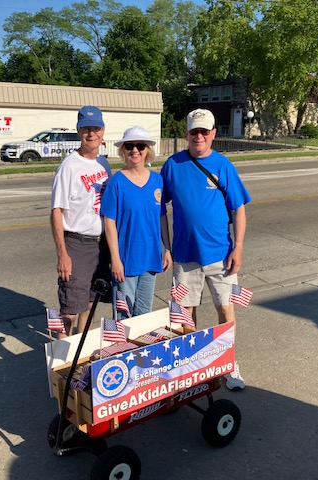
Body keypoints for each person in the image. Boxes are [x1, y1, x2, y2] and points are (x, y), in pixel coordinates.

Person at [160, 108, 251, 390]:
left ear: (213, 134)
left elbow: (238, 209)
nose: (198, 136)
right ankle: (191, 366)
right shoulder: (172, 165)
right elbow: (160, 208)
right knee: (186, 314)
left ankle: (228, 363)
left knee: (226, 311)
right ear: (186, 133)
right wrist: (165, 246)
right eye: (194, 131)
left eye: (204, 131)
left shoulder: (224, 166)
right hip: (185, 257)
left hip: (221, 256)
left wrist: (238, 248)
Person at [50, 105, 112, 337]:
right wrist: (62, 254)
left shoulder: (103, 164)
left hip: (101, 243)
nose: (91, 133)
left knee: (89, 302)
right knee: (70, 309)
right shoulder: (68, 167)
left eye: (96, 128)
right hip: (77, 243)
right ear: (78, 131)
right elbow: (56, 212)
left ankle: (81, 350)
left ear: (103, 131)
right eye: (86, 128)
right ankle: (62, 359)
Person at [101, 126, 172, 319]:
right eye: (130, 145)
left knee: (144, 316)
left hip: (150, 258)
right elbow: (109, 223)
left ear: (147, 150)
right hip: (126, 261)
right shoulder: (116, 183)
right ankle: (123, 349)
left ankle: (141, 350)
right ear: (123, 150)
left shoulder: (157, 181)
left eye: (140, 146)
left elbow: (162, 217)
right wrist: (115, 260)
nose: (135, 150)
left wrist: (167, 248)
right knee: (123, 317)